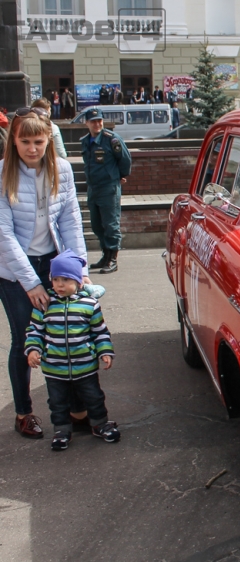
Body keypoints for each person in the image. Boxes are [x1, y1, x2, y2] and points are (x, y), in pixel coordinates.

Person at [0, 107, 90, 439]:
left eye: (38, 141)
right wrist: (31, 283)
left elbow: (71, 221)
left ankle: (75, 409)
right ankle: (23, 412)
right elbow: (4, 234)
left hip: (54, 264)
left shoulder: (61, 169)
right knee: (25, 339)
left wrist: (80, 269)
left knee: (65, 333)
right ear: (14, 141)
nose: (32, 148)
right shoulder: (3, 172)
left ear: (48, 140)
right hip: (14, 271)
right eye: (25, 141)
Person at [24, 249, 119, 451]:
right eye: (55, 279)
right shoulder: (44, 305)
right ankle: (61, 431)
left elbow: (100, 331)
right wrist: (33, 349)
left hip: (85, 365)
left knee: (94, 397)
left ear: (78, 281)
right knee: (57, 402)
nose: (59, 284)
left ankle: (100, 424)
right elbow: (35, 331)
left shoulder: (89, 304)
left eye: (66, 280)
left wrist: (105, 351)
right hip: (54, 368)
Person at [80, 108, 132, 274]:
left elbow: (125, 160)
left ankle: (113, 258)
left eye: (99, 121)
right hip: (93, 187)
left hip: (108, 187)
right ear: (87, 123)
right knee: (97, 225)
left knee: (111, 224)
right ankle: (105, 255)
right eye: (93, 121)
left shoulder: (111, 139)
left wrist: (119, 176)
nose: (97, 124)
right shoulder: (86, 141)